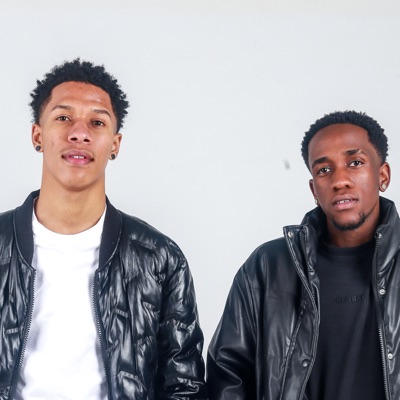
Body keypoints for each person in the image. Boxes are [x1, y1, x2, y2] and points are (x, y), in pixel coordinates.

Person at [0, 59, 207, 399]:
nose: (79, 133)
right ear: (37, 135)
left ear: (115, 144)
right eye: (63, 118)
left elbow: (184, 386)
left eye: (97, 122)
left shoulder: (159, 258)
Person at [207, 110, 399, 399]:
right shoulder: (267, 267)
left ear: (382, 175)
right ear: (313, 189)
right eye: (324, 170)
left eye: (355, 163)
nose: (340, 180)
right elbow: (228, 374)